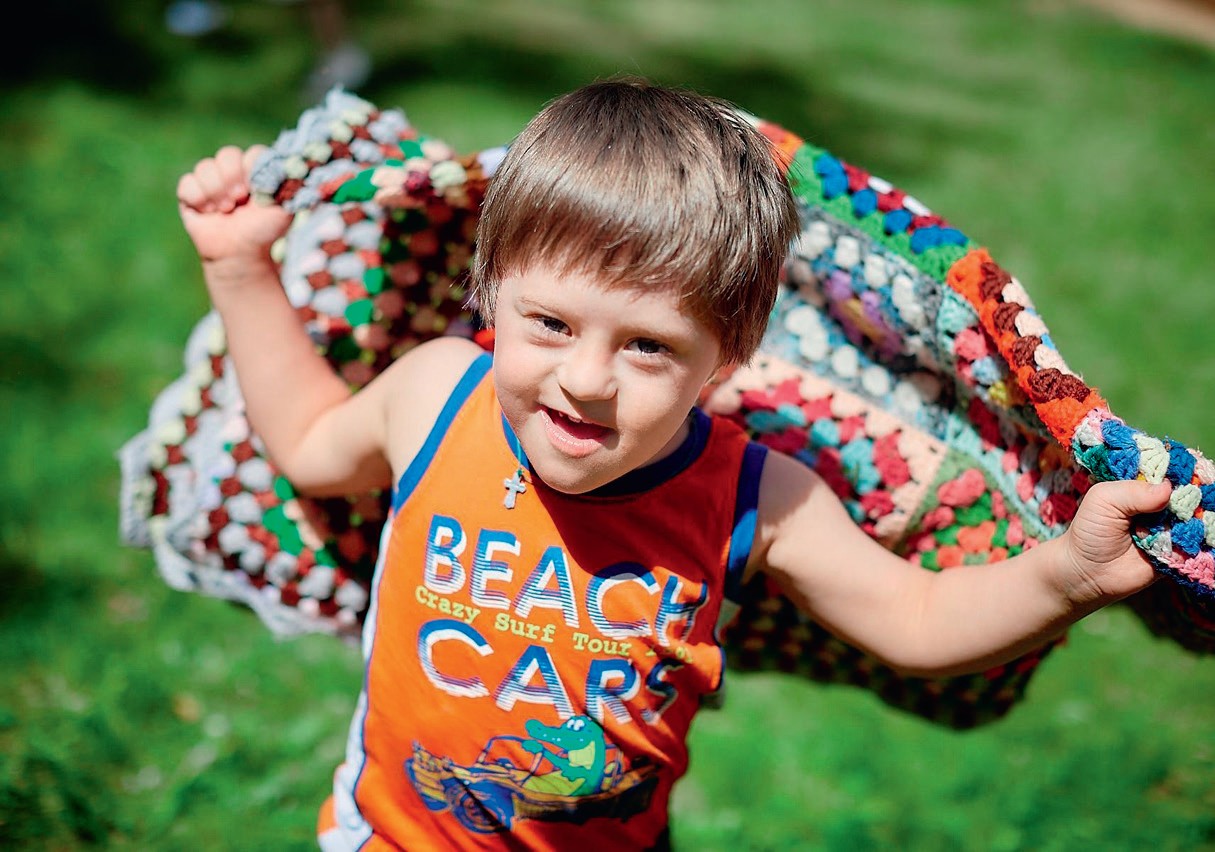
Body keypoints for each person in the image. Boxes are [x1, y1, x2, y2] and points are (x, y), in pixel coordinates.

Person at [175, 77, 1171, 850]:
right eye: (550, 322)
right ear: (490, 292)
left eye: (648, 346)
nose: (586, 379)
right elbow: (309, 446)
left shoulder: (755, 495)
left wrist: (1067, 576)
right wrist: (237, 268)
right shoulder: (437, 395)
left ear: (726, 359)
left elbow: (913, 618)